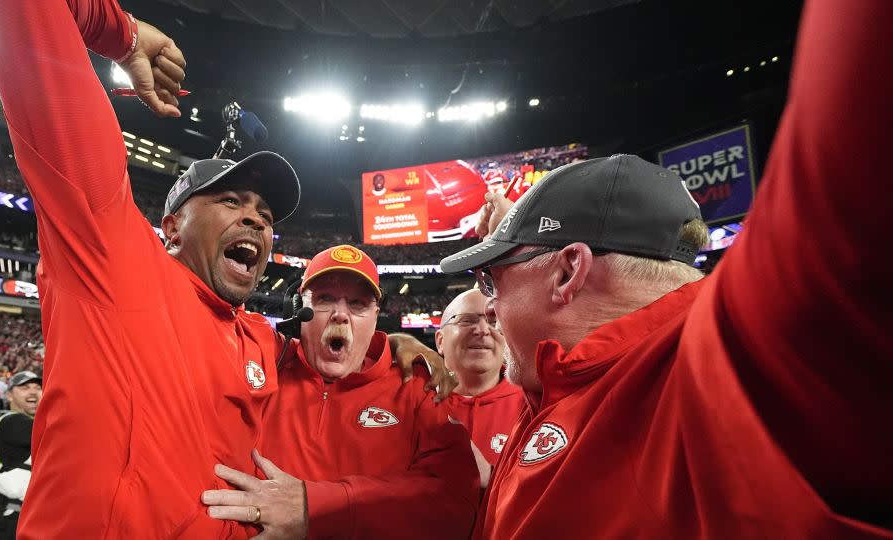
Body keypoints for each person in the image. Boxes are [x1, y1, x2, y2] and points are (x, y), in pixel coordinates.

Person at [0, 2, 451, 537]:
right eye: (229, 201)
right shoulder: (113, 258)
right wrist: (119, 32)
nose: (255, 218)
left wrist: (396, 347)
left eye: (266, 216)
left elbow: (335, 351)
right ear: (172, 226)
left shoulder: (264, 345)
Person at [439, 1, 893, 536]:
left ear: (567, 273)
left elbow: (857, 144)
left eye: (493, 279)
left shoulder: (725, 371)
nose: (488, 306)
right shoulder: (564, 378)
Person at [201, 245, 479, 538]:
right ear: (298, 310)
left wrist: (317, 507)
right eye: (325, 299)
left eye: (358, 304)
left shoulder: (417, 386)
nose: (340, 315)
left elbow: (457, 504)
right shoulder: (265, 361)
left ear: (375, 317)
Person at [435, 289, 525, 489]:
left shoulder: (536, 405)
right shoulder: (412, 398)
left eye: (493, 321)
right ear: (440, 341)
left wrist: (490, 478)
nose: (483, 330)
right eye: (467, 321)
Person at [0, 370, 42, 540]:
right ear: (10, 395)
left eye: (37, 387)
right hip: (17, 517)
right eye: (25, 387)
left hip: (29, 514)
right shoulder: (11, 421)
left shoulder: (32, 424)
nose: (33, 391)